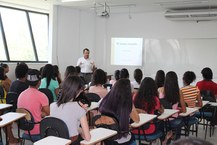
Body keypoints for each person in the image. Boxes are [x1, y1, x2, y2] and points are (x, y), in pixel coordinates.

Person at [50, 76, 91, 144]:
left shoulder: (52, 105)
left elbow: (64, 123)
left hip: (56, 141)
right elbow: (87, 137)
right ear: (78, 91)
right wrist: (80, 130)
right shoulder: (78, 108)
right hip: (72, 142)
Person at [99, 78, 139, 145]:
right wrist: (132, 104)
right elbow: (137, 120)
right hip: (122, 140)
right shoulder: (127, 104)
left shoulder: (105, 101)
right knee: (133, 137)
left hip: (107, 139)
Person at [17, 69, 50, 141]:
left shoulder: (21, 95)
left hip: (25, 130)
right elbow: (47, 113)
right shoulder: (42, 95)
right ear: (39, 82)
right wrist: (39, 113)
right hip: (38, 132)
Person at [162, 71, 186, 140]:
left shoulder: (160, 90)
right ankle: (177, 140)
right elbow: (184, 110)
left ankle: (166, 139)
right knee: (181, 121)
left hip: (162, 121)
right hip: (174, 120)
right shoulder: (179, 91)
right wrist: (177, 110)